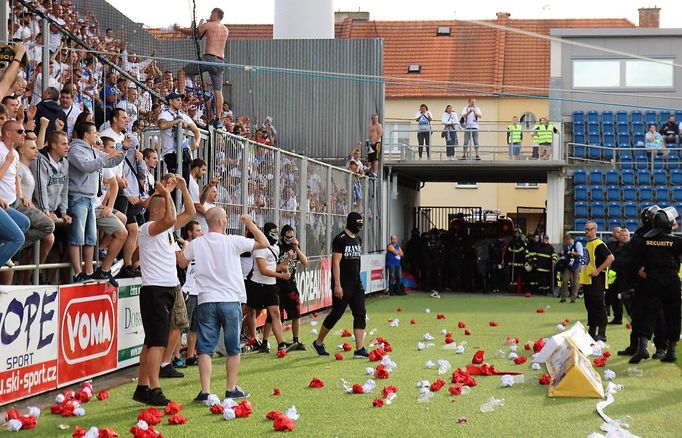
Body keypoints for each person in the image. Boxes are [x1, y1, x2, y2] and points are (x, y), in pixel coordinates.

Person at [179, 211, 268, 401]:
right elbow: (264, 243)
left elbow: (182, 262)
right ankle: (231, 388)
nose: (226, 222)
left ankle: (205, 391)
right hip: (230, 299)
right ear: (221, 221)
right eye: (226, 219)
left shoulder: (198, 243)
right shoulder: (232, 241)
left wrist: (186, 247)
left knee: (204, 349)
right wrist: (251, 225)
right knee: (233, 348)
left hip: (206, 299)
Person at [66, 121, 126, 286]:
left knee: (91, 238)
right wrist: (106, 157)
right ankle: (78, 273)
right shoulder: (75, 149)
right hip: (78, 197)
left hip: (91, 199)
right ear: (86, 134)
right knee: (77, 237)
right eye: (94, 133)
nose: (97, 136)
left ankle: (89, 272)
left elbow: (111, 163)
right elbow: (86, 166)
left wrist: (125, 149)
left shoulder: (93, 150)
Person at [629, 207, 682, 364]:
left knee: (648, 314)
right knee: (673, 315)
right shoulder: (676, 241)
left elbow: (634, 263)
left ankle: (642, 347)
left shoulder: (645, 241)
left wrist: (636, 276)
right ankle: (671, 350)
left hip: (652, 281)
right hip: (672, 281)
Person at [311, 212, 368, 358]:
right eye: (358, 223)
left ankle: (360, 349)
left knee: (360, 313)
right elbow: (335, 262)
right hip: (343, 284)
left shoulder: (358, 239)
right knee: (336, 314)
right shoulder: (340, 239)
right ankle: (318, 342)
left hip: (356, 284)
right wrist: (337, 285)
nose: (360, 226)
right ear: (351, 222)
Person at [176, 7, 229, 129]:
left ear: (215, 15)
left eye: (211, 14)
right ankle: (218, 118)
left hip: (208, 58)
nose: (210, 15)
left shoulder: (209, 25)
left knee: (181, 73)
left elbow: (192, 32)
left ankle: (181, 99)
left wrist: (178, 29)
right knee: (218, 91)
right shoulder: (226, 29)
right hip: (220, 62)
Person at [244, 222, 291, 353]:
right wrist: (281, 276)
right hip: (257, 285)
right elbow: (263, 270)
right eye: (273, 232)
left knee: (275, 313)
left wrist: (286, 263)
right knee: (246, 310)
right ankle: (231, 334)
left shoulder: (275, 248)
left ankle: (281, 343)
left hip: (271, 285)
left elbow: (273, 267)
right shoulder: (260, 247)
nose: (276, 235)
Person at [262, 224, 309, 350]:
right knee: (274, 316)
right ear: (282, 235)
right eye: (288, 235)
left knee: (296, 314)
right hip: (278, 286)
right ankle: (264, 342)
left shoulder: (294, 248)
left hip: (291, 286)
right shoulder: (277, 248)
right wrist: (287, 258)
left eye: (292, 235)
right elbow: (275, 266)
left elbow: (305, 262)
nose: (290, 237)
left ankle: (296, 340)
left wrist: (297, 249)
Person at [0, 121, 30, 268]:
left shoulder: (16, 154)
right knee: (18, 238)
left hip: (9, 200)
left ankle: (4, 251)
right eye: (20, 131)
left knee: (24, 223)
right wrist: (7, 163)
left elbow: (15, 177)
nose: (24, 134)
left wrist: (21, 195)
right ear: (7, 134)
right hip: (2, 200)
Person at [579, 220, 614, 342]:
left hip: (596, 280)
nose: (587, 232)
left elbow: (610, 258)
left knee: (599, 305)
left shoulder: (599, 244)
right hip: (588, 280)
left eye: (590, 229)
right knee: (590, 306)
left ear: (595, 230)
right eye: (586, 229)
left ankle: (602, 332)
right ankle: (592, 330)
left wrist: (598, 270)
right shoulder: (588, 244)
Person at [158, 91, 201, 179]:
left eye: (181, 100)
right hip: (171, 152)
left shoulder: (183, 116)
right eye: (178, 100)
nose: (180, 102)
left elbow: (196, 130)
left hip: (184, 152)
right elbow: (162, 125)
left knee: (185, 181)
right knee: (174, 181)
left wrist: (197, 141)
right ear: (170, 101)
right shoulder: (164, 114)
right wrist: (177, 121)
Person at [179, 220, 202, 366]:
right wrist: (185, 247)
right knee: (180, 327)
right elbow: (180, 263)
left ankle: (190, 355)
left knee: (194, 327)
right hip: (186, 290)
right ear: (189, 232)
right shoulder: (183, 245)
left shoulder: (201, 246)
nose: (201, 233)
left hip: (198, 291)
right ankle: (174, 357)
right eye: (198, 230)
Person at [559, 233, 583, 303]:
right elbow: (565, 253)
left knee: (575, 282)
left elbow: (580, 254)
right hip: (568, 265)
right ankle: (563, 297)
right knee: (565, 280)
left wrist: (572, 253)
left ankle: (573, 298)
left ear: (569, 240)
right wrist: (563, 252)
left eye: (566, 241)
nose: (565, 243)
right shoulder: (566, 246)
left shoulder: (577, 244)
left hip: (576, 265)